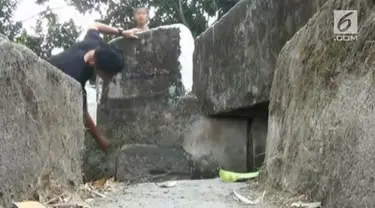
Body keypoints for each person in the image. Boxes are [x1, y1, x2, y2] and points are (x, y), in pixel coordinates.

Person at [48, 22, 141, 152]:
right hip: (47, 81)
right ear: (94, 64)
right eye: (106, 75)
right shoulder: (75, 77)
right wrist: (100, 140)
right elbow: (84, 115)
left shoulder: (95, 44)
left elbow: (94, 25)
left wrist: (121, 32)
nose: (107, 79)